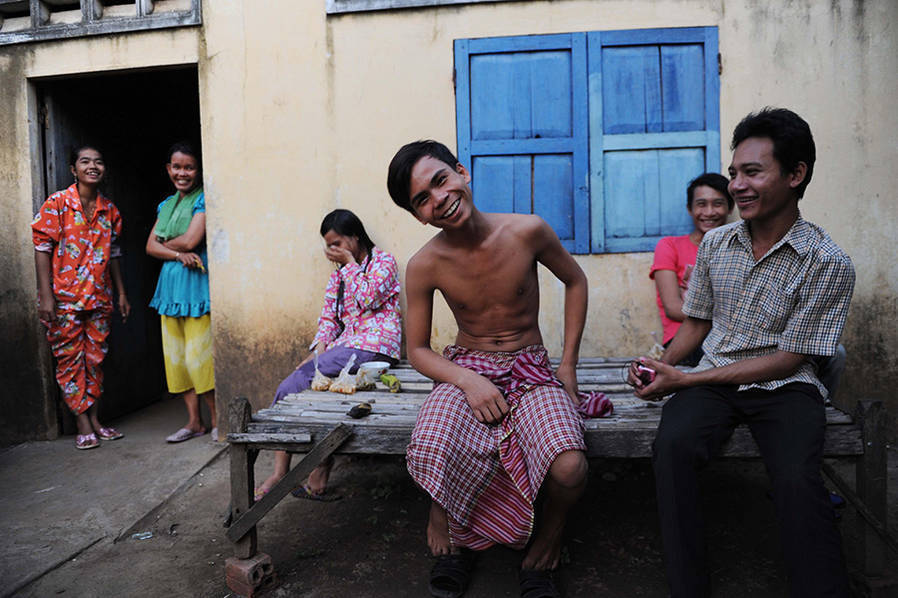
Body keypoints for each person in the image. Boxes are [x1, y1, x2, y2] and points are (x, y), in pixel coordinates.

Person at [629, 108, 854, 597]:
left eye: (753, 171)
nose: (737, 185)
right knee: (672, 449)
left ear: (796, 175)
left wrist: (685, 380)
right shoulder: (716, 245)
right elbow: (698, 323)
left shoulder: (828, 261)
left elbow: (790, 360)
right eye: (735, 172)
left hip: (785, 386)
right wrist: (662, 367)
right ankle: (689, 587)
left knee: (796, 478)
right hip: (713, 380)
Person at [388, 140, 591, 598]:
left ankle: (549, 536)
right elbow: (418, 349)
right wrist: (468, 381)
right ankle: (452, 531)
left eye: (440, 181)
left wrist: (569, 365)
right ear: (418, 215)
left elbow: (575, 280)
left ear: (462, 172)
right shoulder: (425, 265)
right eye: (422, 199)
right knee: (432, 444)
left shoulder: (527, 231)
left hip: (532, 369)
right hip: (467, 366)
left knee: (570, 466)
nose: (438, 199)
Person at [254, 209, 401, 500]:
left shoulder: (383, 262)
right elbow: (328, 322)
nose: (332, 251)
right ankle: (312, 470)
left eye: (337, 244)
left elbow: (369, 298)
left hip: (375, 348)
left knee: (290, 387)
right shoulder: (338, 278)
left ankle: (285, 472)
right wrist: (317, 356)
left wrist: (348, 264)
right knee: (301, 381)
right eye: (328, 245)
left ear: (354, 237)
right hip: (346, 349)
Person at [32, 144, 131, 450]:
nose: (93, 166)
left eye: (98, 162)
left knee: (95, 359)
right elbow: (42, 249)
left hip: (99, 297)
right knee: (69, 361)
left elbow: (114, 254)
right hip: (64, 299)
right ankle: (82, 421)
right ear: (73, 169)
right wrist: (47, 297)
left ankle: (96, 419)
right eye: (85, 161)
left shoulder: (109, 210)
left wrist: (122, 294)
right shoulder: (57, 204)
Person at [145, 142, 217, 443]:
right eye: (177, 167)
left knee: (200, 359)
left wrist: (168, 242)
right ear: (168, 169)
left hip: (195, 288)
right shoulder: (165, 205)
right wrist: (175, 253)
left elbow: (190, 240)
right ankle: (194, 422)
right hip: (170, 289)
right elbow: (149, 247)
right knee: (176, 361)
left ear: (198, 170)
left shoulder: (204, 200)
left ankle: (217, 421)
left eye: (189, 167)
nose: (182, 173)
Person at [649, 173, 733, 366]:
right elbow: (673, 309)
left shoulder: (739, 249)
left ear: (731, 208)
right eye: (701, 204)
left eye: (718, 204)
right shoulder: (670, 246)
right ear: (690, 209)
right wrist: (728, 317)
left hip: (728, 340)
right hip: (683, 342)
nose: (709, 212)